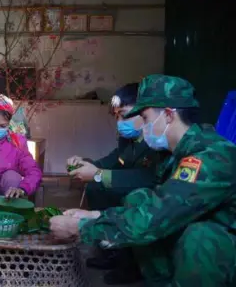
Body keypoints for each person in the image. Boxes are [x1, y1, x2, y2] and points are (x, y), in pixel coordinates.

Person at [50, 74, 236, 286]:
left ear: (167, 115)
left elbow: (156, 217)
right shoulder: (175, 154)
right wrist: (95, 214)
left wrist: (81, 228)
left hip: (222, 250)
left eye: (146, 118)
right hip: (193, 238)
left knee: (201, 238)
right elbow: (154, 203)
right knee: (140, 199)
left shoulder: (210, 157)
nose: (143, 125)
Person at [67, 83, 168, 285]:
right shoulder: (128, 139)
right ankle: (112, 251)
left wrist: (98, 174)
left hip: (151, 198)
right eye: (116, 116)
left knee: (125, 193)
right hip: (135, 191)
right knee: (96, 185)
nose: (120, 122)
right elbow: (115, 160)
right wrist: (88, 164)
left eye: (125, 115)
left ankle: (131, 263)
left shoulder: (157, 140)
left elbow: (150, 178)